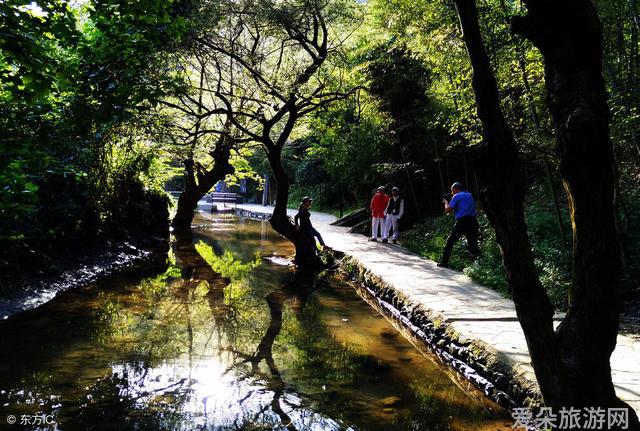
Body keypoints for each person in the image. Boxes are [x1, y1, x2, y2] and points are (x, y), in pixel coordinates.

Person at [438, 182, 479, 268]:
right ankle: (476, 266)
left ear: (456, 189)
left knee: (450, 242)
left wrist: (446, 202)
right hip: (473, 221)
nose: (452, 193)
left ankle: (444, 263)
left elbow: (447, 210)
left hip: (462, 222)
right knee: (473, 244)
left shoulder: (456, 196)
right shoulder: (469, 195)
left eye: (452, 191)